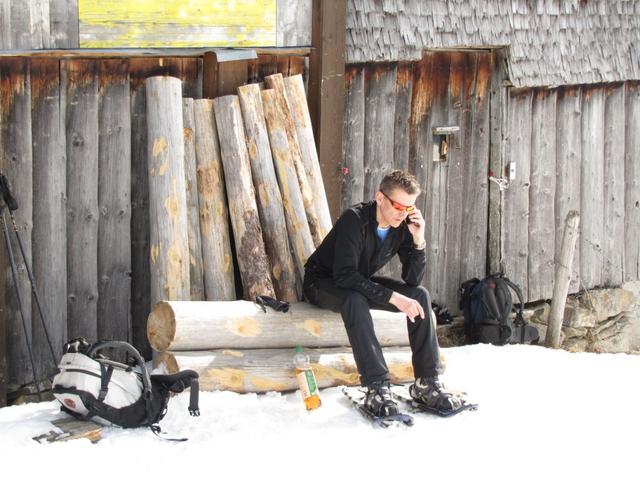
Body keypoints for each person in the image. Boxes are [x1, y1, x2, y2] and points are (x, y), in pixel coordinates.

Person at [303, 170, 462, 417]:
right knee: (355, 300)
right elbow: (344, 276)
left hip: (358, 280)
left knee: (419, 295)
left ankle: (426, 382)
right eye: (399, 206)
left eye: (410, 208)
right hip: (323, 282)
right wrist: (393, 298)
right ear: (380, 198)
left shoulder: (402, 226)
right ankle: (376, 386)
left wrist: (418, 240)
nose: (404, 213)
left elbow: (412, 279)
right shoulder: (354, 219)